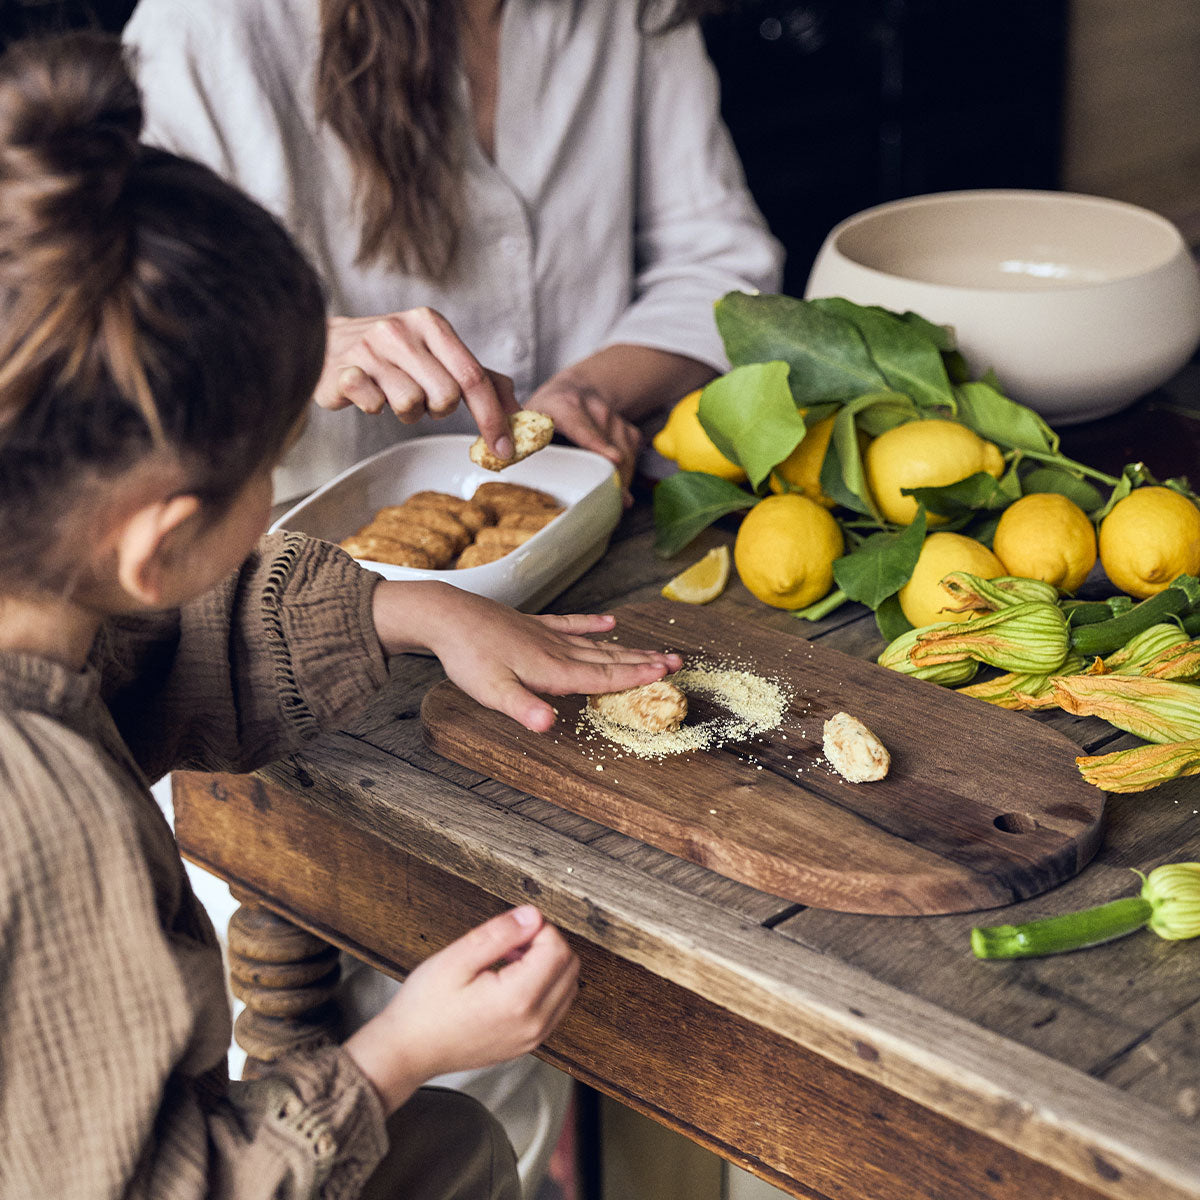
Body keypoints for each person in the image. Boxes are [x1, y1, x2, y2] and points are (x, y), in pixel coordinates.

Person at [0, 31, 684, 1199]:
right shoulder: (47, 825)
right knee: (460, 1141)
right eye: (268, 467)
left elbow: (150, 648)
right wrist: (403, 1051)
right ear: (160, 544)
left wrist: (410, 609)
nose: (274, 489)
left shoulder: (46, 606)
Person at [121, 0, 785, 505]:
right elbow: (126, 344)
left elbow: (717, 259)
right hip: (312, 571)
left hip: (599, 519)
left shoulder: (633, 11)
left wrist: (588, 391)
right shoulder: (204, 28)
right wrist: (304, 350)